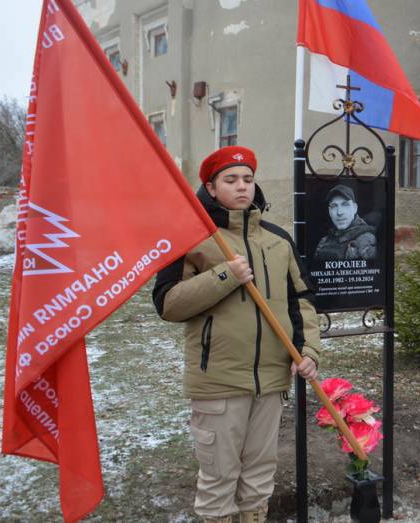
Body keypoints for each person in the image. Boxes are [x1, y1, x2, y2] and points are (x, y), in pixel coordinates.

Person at [152, 146, 322, 523]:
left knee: (260, 474)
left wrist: (308, 349)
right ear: (211, 188)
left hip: (272, 379)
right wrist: (225, 275)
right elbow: (168, 304)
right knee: (219, 479)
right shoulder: (191, 238)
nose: (242, 187)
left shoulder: (278, 240)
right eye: (231, 180)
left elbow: (302, 301)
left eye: (247, 179)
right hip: (219, 382)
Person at [314, 184, 377, 260]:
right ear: (330, 212)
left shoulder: (366, 240)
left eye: (345, 205)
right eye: (334, 206)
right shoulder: (324, 241)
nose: (339, 212)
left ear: (354, 208)